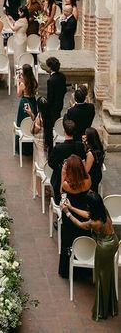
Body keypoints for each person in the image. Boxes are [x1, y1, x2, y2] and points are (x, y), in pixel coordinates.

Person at [61, 191, 119, 321]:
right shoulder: (102, 210)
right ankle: (110, 306)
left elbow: (81, 224)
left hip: (104, 248)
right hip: (113, 241)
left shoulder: (95, 223)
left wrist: (67, 212)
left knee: (100, 275)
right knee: (108, 273)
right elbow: (88, 215)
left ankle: (101, 310)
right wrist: (71, 207)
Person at [58, 154, 92, 278]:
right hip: (84, 212)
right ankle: (84, 269)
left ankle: (67, 270)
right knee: (83, 237)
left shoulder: (68, 184)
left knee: (69, 240)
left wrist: (63, 174)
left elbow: (61, 192)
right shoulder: (88, 179)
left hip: (71, 214)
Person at [48, 118, 85, 204]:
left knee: (60, 200)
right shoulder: (80, 146)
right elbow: (82, 158)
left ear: (64, 132)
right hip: (77, 177)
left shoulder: (58, 148)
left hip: (60, 179)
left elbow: (51, 163)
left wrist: (62, 166)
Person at [26, 97, 53, 190]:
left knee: (40, 165)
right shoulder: (49, 116)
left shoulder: (39, 118)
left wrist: (33, 121)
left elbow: (33, 130)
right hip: (46, 142)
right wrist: (31, 114)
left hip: (38, 144)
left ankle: (41, 189)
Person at [14, 64, 38, 153]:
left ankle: (23, 147)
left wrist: (18, 82)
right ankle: (30, 144)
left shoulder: (23, 84)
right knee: (31, 121)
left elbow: (19, 94)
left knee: (22, 122)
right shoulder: (34, 82)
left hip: (24, 102)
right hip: (33, 102)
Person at [83, 127, 105, 194]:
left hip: (92, 176)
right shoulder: (99, 147)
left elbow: (86, 171)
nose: (83, 136)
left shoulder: (91, 154)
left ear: (88, 138)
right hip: (98, 173)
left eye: (85, 135)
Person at [45, 56, 67, 121]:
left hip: (53, 106)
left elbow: (50, 97)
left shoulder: (50, 80)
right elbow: (64, 90)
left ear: (50, 68)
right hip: (60, 103)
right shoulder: (62, 76)